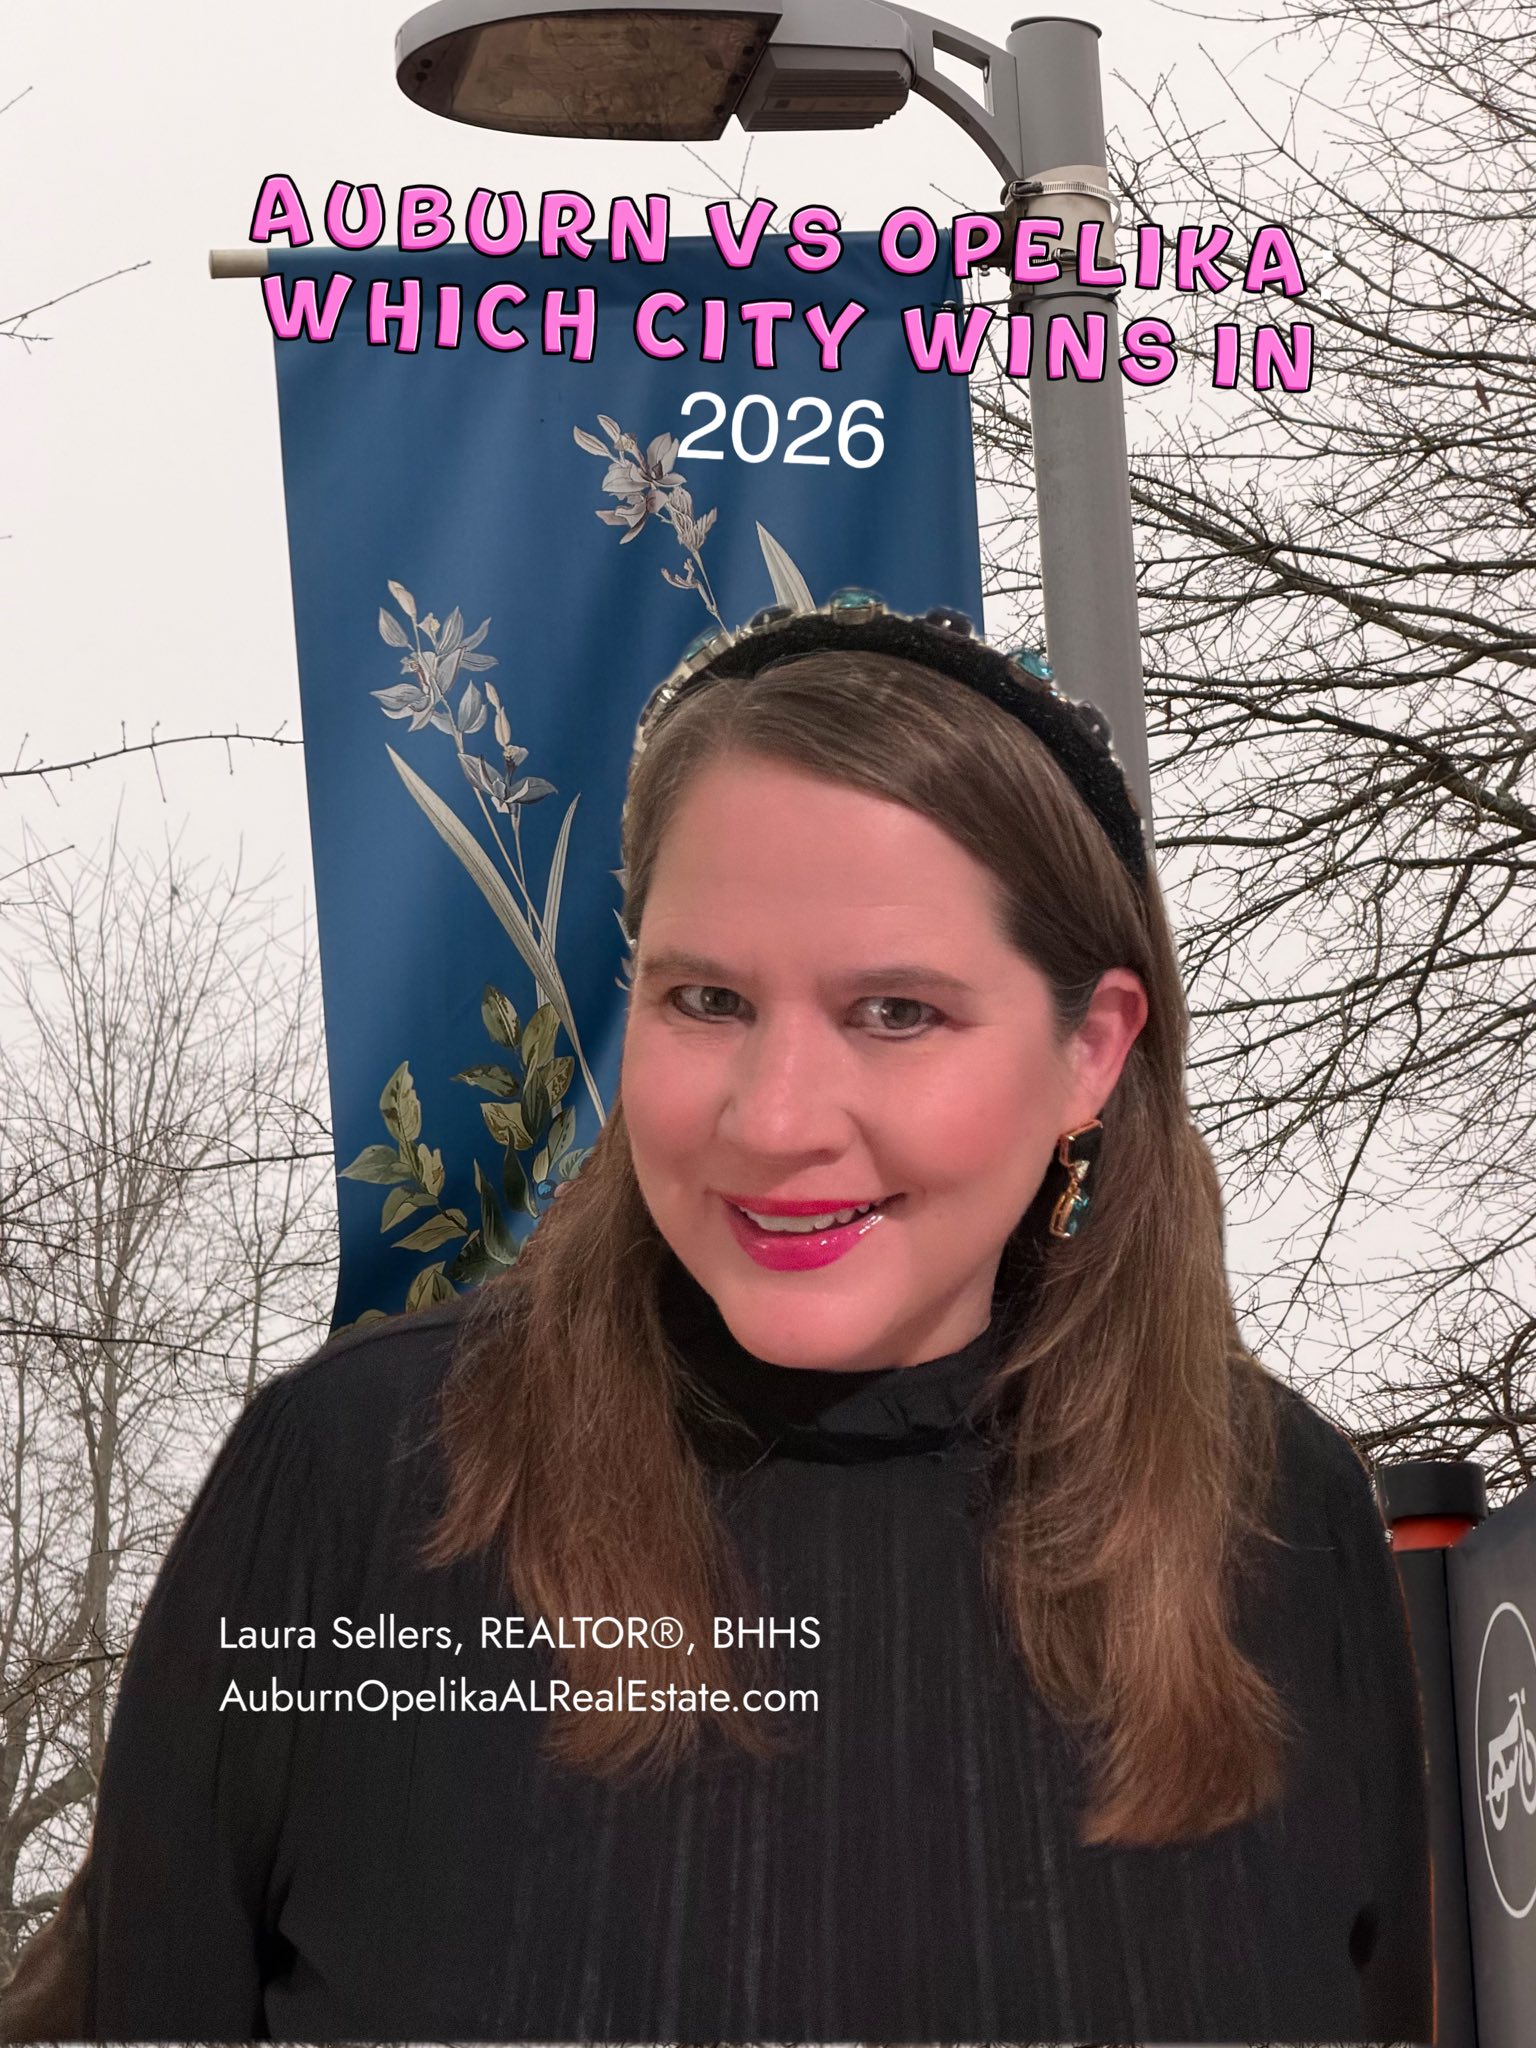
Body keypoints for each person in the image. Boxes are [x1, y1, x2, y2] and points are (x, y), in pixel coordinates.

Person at [2, 596, 1433, 2044]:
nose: (773, 1118)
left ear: (1091, 1050)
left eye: (895, 1012)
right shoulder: (362, 1481)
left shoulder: (1284, 1522)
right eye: (706, 999)